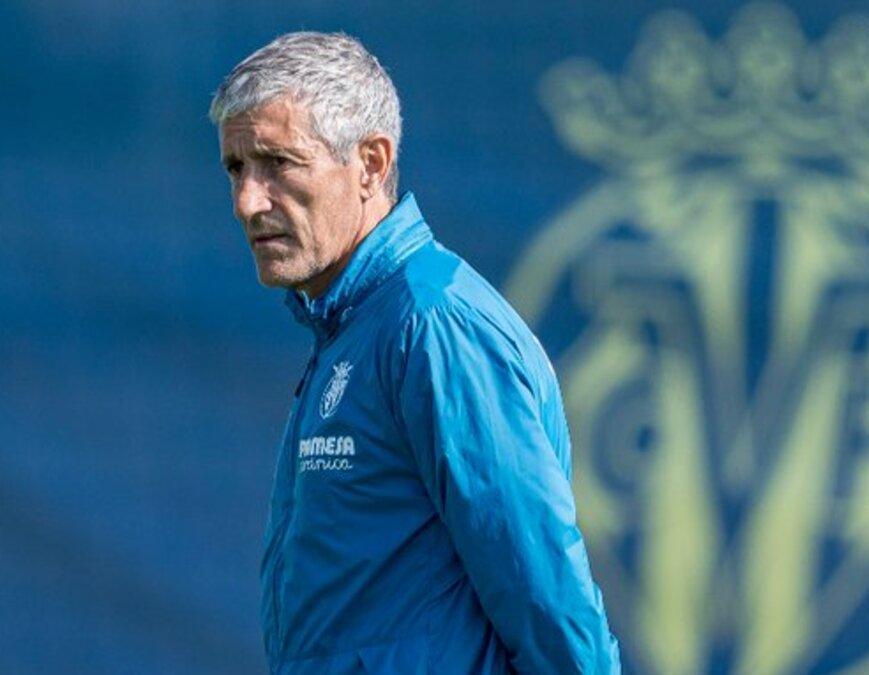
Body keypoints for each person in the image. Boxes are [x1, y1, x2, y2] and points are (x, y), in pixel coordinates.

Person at [210, 31, 620, 674]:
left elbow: (544, 590)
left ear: (371, 163)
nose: (247, 201)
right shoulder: (355, 323)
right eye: (236, 168)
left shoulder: (434, 323)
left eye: (279, 163)